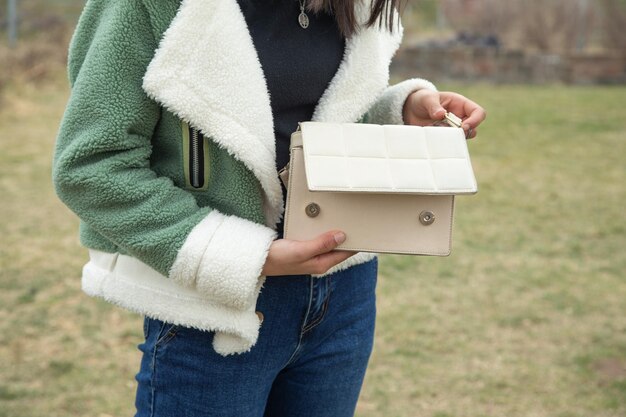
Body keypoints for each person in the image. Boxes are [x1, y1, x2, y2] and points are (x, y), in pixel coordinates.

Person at [52, 0, 486, 415]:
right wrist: (241, 257)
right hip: (215, 312)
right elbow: (92, 164)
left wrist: (398, 113)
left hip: (343, 297)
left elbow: (322, 117)